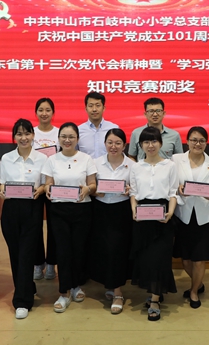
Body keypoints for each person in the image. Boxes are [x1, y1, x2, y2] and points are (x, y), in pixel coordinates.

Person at [42, 122, 97, 313]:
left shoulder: (86, 159)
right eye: (64, 137)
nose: (67, 140)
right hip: (58, 210)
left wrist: (87, 189)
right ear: (58, 139)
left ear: (77, 139)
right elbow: (48, 183)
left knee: (78, 249)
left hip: (82, 209)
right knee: (63, 250)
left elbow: (93, 184)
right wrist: (48, 188)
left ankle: (75, 285)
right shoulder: (52, 160)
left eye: (71, 137)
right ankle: (64, 292)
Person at [0, 118, 48, 319]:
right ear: (14, 137)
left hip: (32, 208)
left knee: (26, 253)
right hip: (11, 209)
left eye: (27, 133)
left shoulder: (42, 159)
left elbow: (46, 184)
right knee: (16, 254)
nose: (23, 137)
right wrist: (2, 191)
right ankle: (27, 286)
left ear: (33, 135)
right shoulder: (6, 158)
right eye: (19, 134)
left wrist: (41, 189)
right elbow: (2, 184)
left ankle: (22, 301)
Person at [129, 126, 179, 321]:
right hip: (142, 216)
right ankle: (153, 292)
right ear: (141, 145)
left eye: (154, 141)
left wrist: (170, 213)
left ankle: (155, 301)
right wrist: (134, 210)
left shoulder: (170, 166)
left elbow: (173, 193)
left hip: (163, 216)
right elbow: (133, 193)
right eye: (146, 142)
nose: (150, 145)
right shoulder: (136, 167)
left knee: (160, 259)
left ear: (161, 143)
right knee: (146, 259)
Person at [172, 126, 209, 309]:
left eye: (201, 141)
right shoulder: (177, 159)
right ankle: (198, 283)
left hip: (205, 215)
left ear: (206, 143)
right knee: (185, 259)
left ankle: (193, 291)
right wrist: (178, 188)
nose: (197, 144)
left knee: (199, 258)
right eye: (194, 140)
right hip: (183, 214)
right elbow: (171, 183)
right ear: (187, 141)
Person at [89, 128, 135, 314]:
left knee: (118, 250)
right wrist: (95, 191)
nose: (113, 146)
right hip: (100, 211)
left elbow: (137, 189)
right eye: (110, 142)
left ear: (124, 145)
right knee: (103, 249)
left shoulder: (132, 165)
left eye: (118, 143)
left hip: (122, 211)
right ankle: (109, 284)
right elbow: (90, 186)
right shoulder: (95, 163)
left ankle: (117, 292)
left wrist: (130, 190)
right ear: (105, 144)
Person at [33, 98, 58, 281]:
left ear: (53, 112)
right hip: (34, 185)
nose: (44, 113)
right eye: (41, 110)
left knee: (53, 226)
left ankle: (51, 263)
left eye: (48, 110)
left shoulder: (59, 133)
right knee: (34, 226)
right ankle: (38, 262)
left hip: (53, 185)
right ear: (36, 112)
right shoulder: (30, 133)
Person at [77, 91, 118, 158]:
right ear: (86, 109)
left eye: (98, 105)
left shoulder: (113, 129)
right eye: (91, 106)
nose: (94, 109)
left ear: (103, 108)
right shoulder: (78, 130)